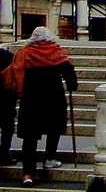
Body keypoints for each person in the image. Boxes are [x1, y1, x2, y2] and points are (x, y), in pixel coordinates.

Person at [8, 28, 78, 187]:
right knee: (54, 129)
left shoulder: (25, 53)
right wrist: (72, 86)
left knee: (30, 137)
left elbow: (17, 72)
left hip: (31, 98)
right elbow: (69, 74)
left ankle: (28, 173)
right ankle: (49, 158)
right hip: (53, 97)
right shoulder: (57, 52)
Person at [0, 47, 14, 165]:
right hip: (5, 95)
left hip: (5, 96)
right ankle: (4, 153)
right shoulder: (6, 55)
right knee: (7, 126)